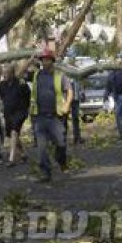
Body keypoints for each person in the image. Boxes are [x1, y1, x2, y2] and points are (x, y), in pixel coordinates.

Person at [29, 48, 73, 182]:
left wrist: (67, 105)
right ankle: (45, 173)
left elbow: (69, 91)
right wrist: (30, 61)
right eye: (43, 60)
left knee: (61, 143)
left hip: (56, 117)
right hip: (40, 117)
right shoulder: (37, 75)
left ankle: (61, 160)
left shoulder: (60, 76)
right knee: (41, 148)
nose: (45, 62)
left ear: (52, 61)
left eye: (47, 59)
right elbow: (18, 74)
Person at [0, 64, 31, 165]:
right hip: (8, 113)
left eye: (7, 73)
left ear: (12, 73)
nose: (5, 75)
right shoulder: (2, 85)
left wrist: (26, 109)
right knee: (12, 134)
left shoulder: (21, 84)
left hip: (20, 112)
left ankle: (11, 158)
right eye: (4, 73)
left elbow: (27, 95)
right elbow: (3, 97)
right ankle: (24, 153)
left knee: (14, 131)